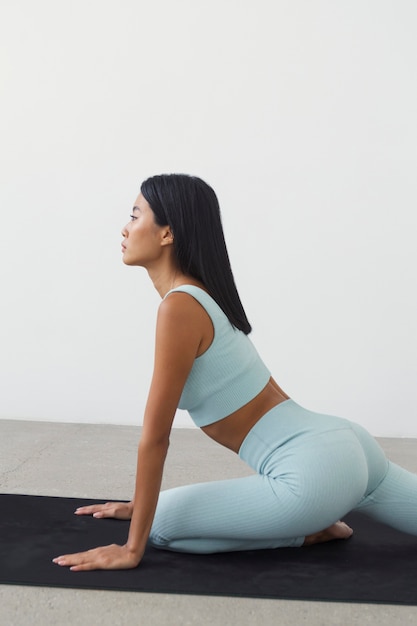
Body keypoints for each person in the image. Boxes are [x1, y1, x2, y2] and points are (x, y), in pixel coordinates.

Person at [53, 174, 417, 571]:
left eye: (136, 215)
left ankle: (310, 529)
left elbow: (154, 439)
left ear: (166, 234)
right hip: (349, 445)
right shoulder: (207, 298)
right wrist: (141, 502)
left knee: (164, 524)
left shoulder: (179, 308)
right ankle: (316, 519)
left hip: (314, 475)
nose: (125, 227)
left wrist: (132, 547)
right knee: (156, 509)